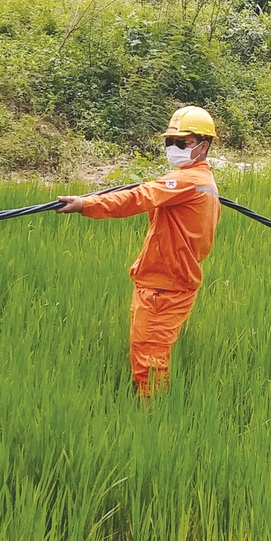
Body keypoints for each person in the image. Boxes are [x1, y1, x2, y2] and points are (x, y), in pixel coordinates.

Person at [57, 106, 221, 400]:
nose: (173, 148)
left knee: (150, 361)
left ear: (202, 146)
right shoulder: (202, 183)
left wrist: (86, 204)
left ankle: (153, 418)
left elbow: (139, 197)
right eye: (169, 142)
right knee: (147, 351)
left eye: (181, 143)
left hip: (163, 287)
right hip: (164, 282)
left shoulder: (188, 182)